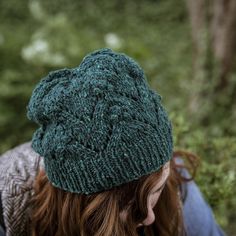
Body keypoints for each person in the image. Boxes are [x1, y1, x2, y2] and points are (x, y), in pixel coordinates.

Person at [0, 48, 226, 236]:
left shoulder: (175, 184)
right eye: (129, 204)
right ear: (83, 202)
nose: (149, 216)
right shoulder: (9, 202)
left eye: (155, 189)